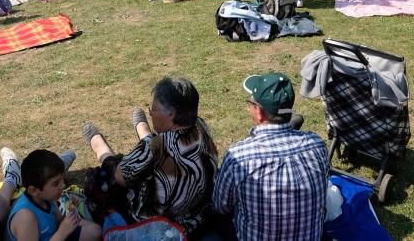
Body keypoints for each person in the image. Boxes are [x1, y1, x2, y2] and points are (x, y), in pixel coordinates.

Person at [82, 77, 218, 234]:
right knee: (143, 154)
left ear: (171, 114)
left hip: (161, 224)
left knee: (108, 174)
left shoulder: (156, 147)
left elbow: (120, 177)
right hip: (195, 217)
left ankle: (100, 145)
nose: (151, 113)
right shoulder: (201, 126)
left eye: (153, 109)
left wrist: (147, 145)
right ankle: (143, 129)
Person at [213, 72, 327, 241]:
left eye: (250, 103)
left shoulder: (239, 158)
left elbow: (220, 206)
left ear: (259, 112)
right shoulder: (316, 145)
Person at [6, 150, 101, 241]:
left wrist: (71, 212)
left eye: (63, 179)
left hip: (55, 236)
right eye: (56, 183)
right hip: (57, 236)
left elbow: (60, 221)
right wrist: (62, 233)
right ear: (34, 190)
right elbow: (61, 230)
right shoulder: (26, 217)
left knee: (95, 231)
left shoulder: (46, 198)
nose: (63, 185)